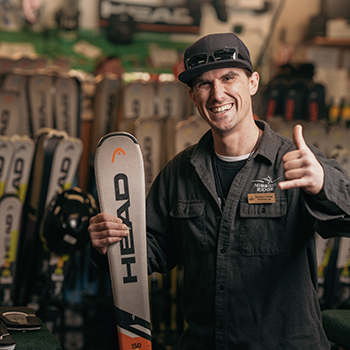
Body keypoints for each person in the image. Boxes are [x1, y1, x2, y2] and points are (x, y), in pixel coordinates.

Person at [88, 32, 350, 349]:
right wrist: (108, 245)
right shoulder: (179, 172)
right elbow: (150, 253)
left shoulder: (296, 162)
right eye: (203, 84)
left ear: (253, 82)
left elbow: (344, 221)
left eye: (229, 77)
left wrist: (323, 185)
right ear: (193, 96)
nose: (217, 93)